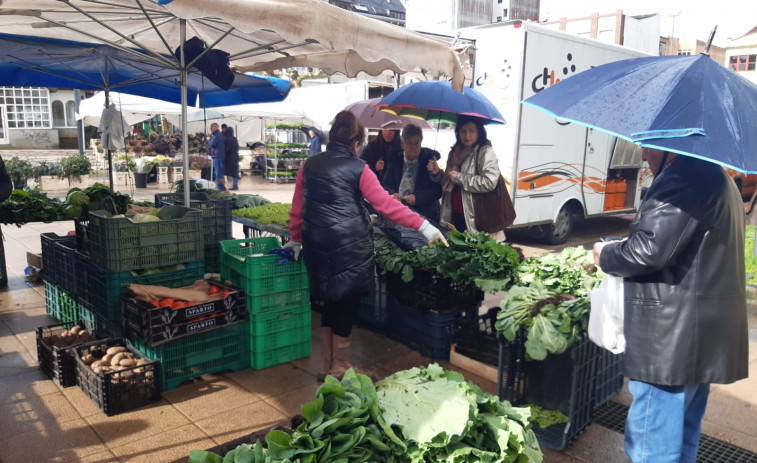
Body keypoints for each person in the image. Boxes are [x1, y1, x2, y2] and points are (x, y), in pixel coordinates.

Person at [592, 148, 748, 463]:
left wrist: (604, 254)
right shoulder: (718, 176)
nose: (643, 156)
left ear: (665, 145)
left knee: (653, 450)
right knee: (683, 443)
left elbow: (647, 251)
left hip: (669, 346)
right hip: (698, 340)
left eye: (646, 148)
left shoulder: (683, 176)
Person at [286, 111, 447, 382]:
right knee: (345, 304)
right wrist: (425, 226)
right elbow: (387, 206)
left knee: (327, 300)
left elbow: (297, 207)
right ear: (356, 142)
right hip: (348, 246)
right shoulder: (359, 168)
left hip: (316, 243)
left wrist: (295, 239)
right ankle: (340, 367)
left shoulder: (309, 164)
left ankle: (325, 364)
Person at [429, 115, 506, 242]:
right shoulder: (454, 152)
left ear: (479, 132)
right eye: (463, 131)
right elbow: (449, 181)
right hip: (454, 215)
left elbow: (489, 182)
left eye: (471, 131)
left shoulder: (485, 152)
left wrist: (459, 177)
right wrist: (438, 173)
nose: (467, 136)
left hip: (477, 218)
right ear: (458, 132)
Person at [381, 124, 442, 222]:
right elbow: (384, 184)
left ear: (421, 143)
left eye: (416, 143)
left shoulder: (429, 161)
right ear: (402, 144)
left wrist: (417, 198)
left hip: (424, 216)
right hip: (398, 213)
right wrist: (392, 194)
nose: (413, 147)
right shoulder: (394, 160)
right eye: (409, 143)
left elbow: (437, 191)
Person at [206, 122, 226, 190]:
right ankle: (221, 185)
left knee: (219, 172)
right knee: (219, 172)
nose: (210, 129)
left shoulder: (217, 135)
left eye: (211, 127)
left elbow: (212, 144)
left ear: (215, 127)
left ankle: (220, 186)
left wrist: (208, 139)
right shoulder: (216, 135)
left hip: (218, 156)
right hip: (218, 155)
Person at [222, 125, 240, 190]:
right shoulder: (235, 139)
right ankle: (235, 185)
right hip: (235, 157)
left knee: (224, 171)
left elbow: (227, 149)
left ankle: (223, 185)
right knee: (235, 171)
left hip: (228, 158)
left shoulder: (226, 139)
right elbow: (237, 148)